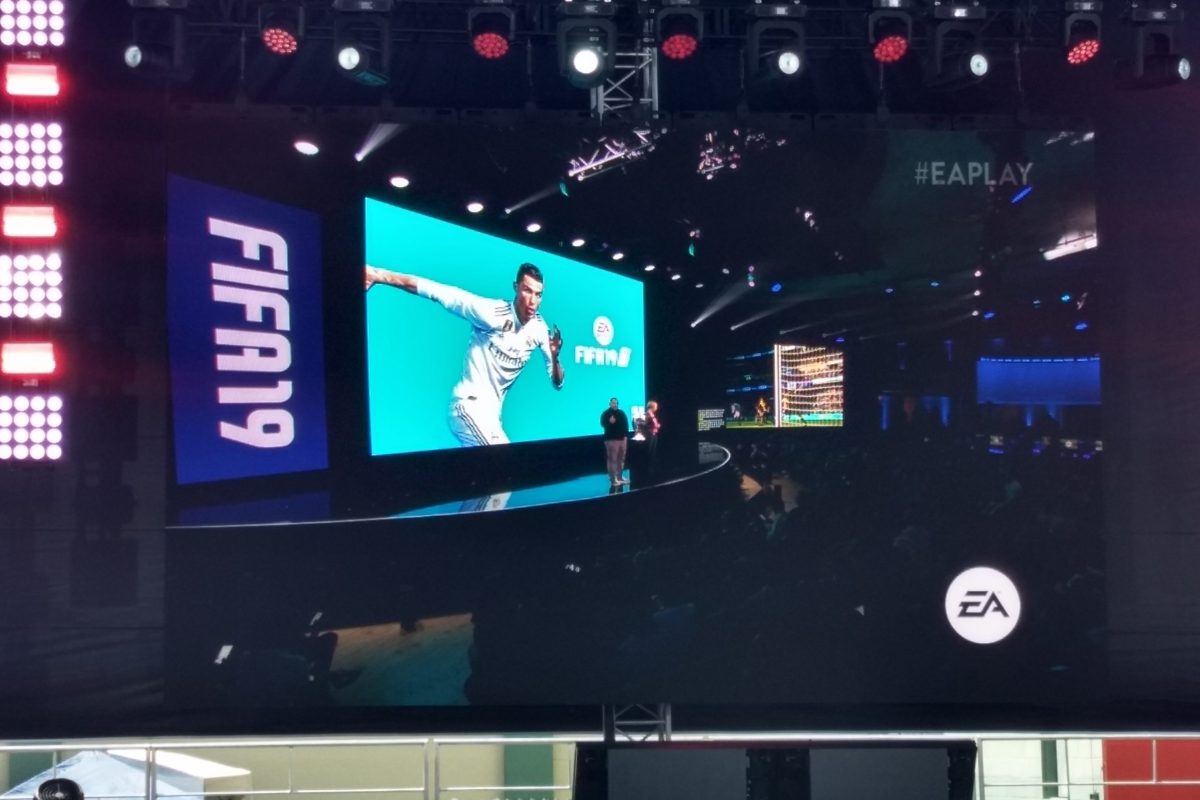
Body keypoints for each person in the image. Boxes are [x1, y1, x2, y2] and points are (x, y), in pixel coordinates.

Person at [365, 262, 565, 446]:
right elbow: (437, 291)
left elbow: (557, 383)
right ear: (516, 287)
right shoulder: (491, 313)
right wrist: (379, 275)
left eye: (538, 294)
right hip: (467, 407)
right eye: (527, 290)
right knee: (505, 464)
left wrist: (555, 358)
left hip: (492, 419)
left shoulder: (540, 329)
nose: (533, 301)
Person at [600, 397, 630, 487]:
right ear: (609, 404)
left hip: (622, 439)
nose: (615, 404)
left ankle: (620, 477)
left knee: (621, 459)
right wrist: (609, 422)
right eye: (613, 403)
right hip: (611, 440)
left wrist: (626, 437)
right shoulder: (606, 413)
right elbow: (602, 423)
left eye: (616, 403)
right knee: (612, 459)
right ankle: (613, 479)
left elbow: (626, 425)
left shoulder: (621, 413)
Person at [643, 399, 661, 464]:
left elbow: (655, 423)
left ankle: (651, 464)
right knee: (649, 450)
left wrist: (657, 425)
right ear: (652, 407)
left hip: (654, 433)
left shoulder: (652, 414)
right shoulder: (647, 414)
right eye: (656, 406)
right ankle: (648, 464)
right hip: (649, 434)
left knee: (653, 451)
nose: (657, 408)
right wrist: (656, 425)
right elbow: (646, 424)